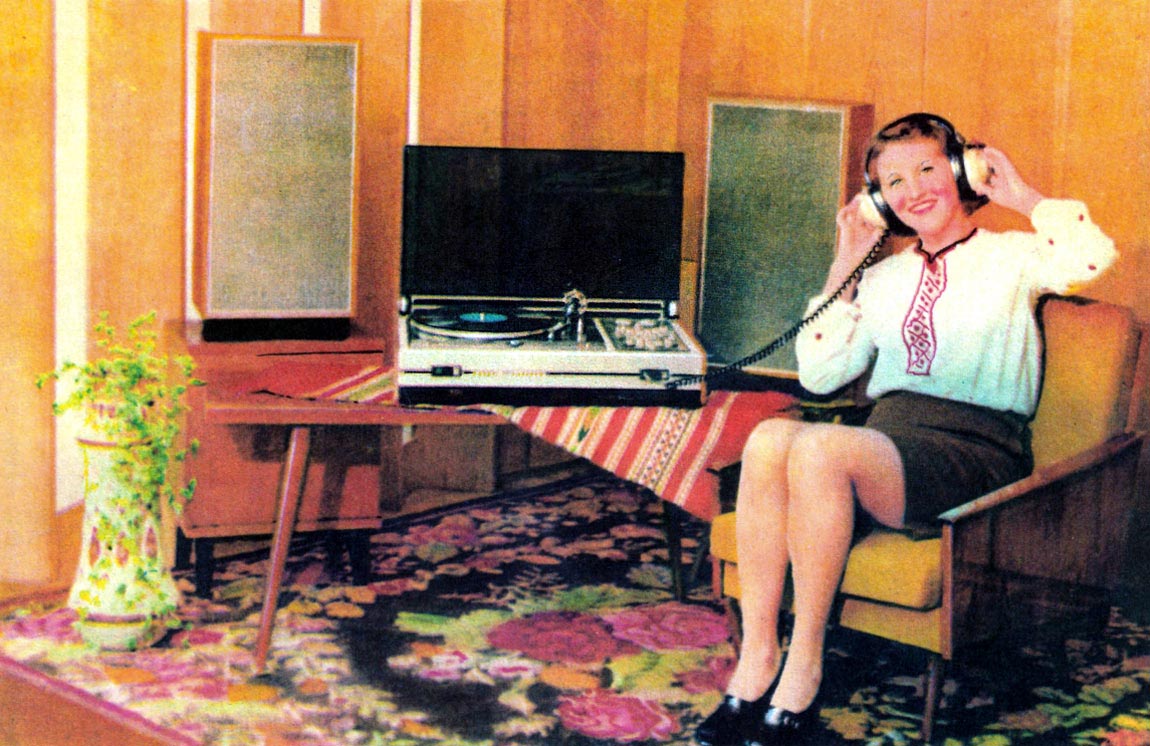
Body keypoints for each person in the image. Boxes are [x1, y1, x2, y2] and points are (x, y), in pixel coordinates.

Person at [695, 112, 1118, 746]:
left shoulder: (1016, 255)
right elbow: (819, 373)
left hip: (974, 450)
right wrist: (846, 260)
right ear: (878, 201)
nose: (913, 190)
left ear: (962, 171)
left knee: (819, 449)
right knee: (770, 438)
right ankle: (757, 658)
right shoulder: (883, 277)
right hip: (886, 445)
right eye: (893, 182)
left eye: (927, 169)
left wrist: (1022, 195)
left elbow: (1094, 256)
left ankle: (804, 665)